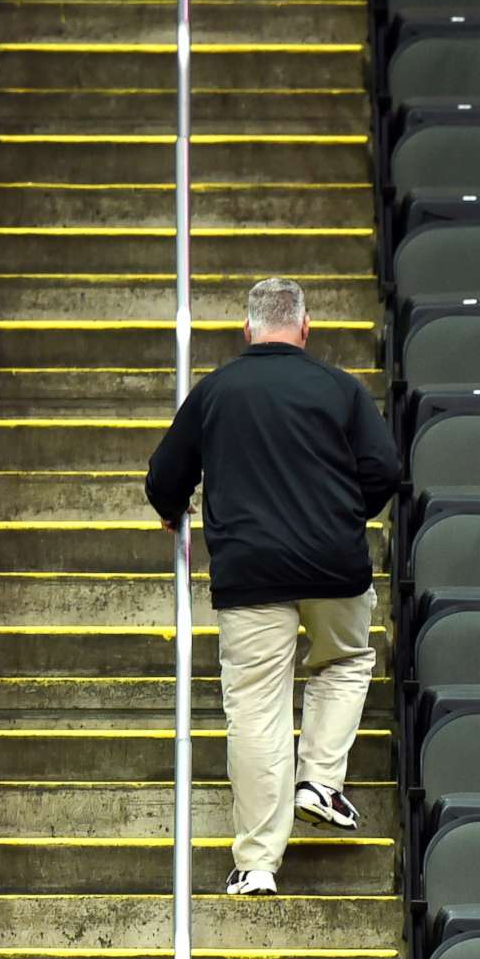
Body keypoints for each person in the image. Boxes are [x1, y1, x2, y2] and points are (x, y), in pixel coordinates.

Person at [144, 277, 401, 894]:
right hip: (334, 564)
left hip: (250, 572)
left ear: (247, 330)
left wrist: (174, 505)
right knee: (343, 661)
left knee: (257, 710)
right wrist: (342, 515)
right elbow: (385, 469)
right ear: (305, 329)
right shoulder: (340, 388)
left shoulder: (215, 392)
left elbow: (163, 479)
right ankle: (319, 780)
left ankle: (258, 865)